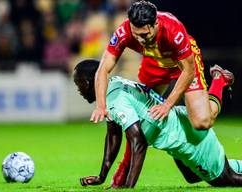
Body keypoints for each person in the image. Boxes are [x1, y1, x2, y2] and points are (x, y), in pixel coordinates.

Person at [74, 59, 242, 189]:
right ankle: (220, 80)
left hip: (189, 140)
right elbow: (113, 134)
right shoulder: (114, 85)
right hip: (179, 132)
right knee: (192, 176)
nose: (78, 90)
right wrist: (102, 176)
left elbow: (138, 142)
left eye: (78, 84)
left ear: (87, 83)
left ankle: (219, 81)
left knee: (225, 179)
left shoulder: (115, 100)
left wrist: (128, 187)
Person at [91, 1, 234, 132]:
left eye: (145, 35)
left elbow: (189, 71)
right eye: (136, 35)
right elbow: (103, 69)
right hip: (154, 62)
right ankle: (127, 161)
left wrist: (167, 105)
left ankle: (219, 80)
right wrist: (101, 106)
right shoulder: (124, 31)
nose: (140, 40)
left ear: (156, 24)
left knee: (202, 122)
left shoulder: (173, 30)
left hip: (182, 62)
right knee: (142, 116)